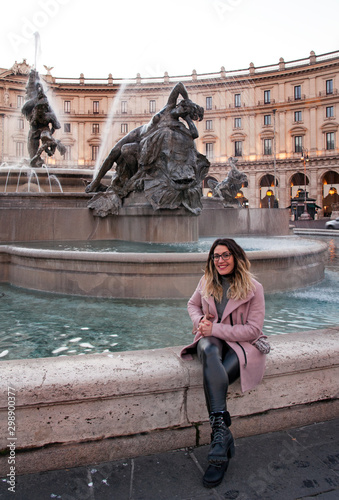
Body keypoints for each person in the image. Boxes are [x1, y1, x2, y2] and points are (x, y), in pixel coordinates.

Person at [180, 238, 267, 488]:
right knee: (207, 348)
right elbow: (192, 305)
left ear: (237, 257)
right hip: (212, 341)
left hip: (243, 345)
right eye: (216, 256)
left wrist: (214, 328)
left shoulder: (254, 288)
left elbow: (253, 330)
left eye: (226, 255)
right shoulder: (206, 281)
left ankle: (220, 437)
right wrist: (200, 323)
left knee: (214, 378)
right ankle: (220, 436)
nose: (220, 260)